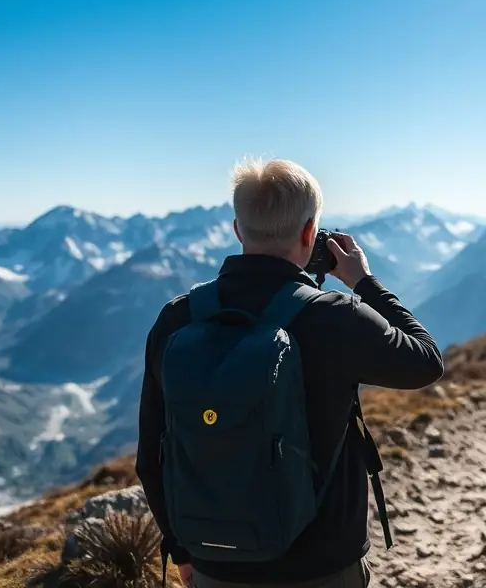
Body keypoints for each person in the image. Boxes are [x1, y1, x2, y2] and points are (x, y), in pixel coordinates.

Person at [136, 158, 444, 588]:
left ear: (238, 229)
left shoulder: (176, 320)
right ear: (309, 232)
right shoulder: (336, 317)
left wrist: (182, 548)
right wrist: (363, 283)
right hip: (321, 565)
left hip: (214, 564)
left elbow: (151, 456)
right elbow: (426, 361)